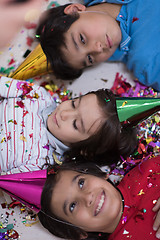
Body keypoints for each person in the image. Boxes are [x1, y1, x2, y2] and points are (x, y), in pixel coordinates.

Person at [0, 76, 136, 174]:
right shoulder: (39, 96)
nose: (64, 114)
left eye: (75, 124)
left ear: (85, 150)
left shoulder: (40, 163)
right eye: (73, 103)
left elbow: (6, 183)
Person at [36, 0, 160, 91]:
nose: (97, 49)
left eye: (82, 39)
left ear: (75, 10)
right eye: (89, 58)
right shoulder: (146, 64)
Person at [38, 155, 160, 240]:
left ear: (99, 175)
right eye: (72, 206)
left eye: (81, 183)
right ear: (78, 232)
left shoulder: (148, 170)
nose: (87, 197)